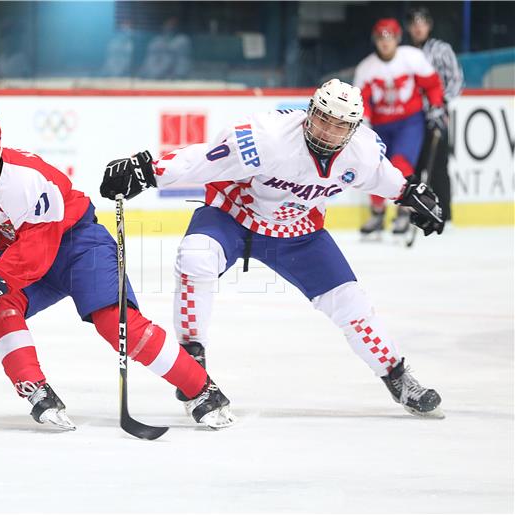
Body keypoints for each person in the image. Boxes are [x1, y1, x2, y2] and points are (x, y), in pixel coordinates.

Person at [100, 79, 445, 418]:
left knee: (351, 303)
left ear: (353, 129)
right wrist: (147, 171)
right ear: (309, 112)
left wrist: (411, 195)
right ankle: (193, 362)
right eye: (323, 119)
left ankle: (397, 377)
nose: (328, 131)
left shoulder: (364, 153)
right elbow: (203, 160)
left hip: (298, 232)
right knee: (195, 259)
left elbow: (384, 179)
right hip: (232, 216)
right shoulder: (267, 137)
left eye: (340, 126)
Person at [0, 106, 236, 431]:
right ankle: (36, 390)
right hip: (24, 252)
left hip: (78, 247)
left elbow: (37, 252)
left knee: (116, 324)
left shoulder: (27, 180)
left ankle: (202, 389)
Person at [353, 18, 445, 238]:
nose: (385, 43)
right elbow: (360, 100)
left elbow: (432, 84)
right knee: (374, 167)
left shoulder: (412, 58)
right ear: (375, 40)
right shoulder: (366, 68)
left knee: (401, 164)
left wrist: (436, 107)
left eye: (390, 38)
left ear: (397, 38)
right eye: (381, 38)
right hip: (380, 127)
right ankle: (377, 213)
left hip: (409, 123)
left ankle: (403, 212)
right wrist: (363, 120)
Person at [407, 6, 464, 225]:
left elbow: (456, 79)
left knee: (438, 166)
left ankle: (444, 215)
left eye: (422, 23)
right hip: (411, 119)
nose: (418, 27)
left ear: (429, 25)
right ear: (409, 28)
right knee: (414, 166)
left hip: (436, 116)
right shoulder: (406, 53)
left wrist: (442, 104)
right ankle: (419, 214)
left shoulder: (441, 49)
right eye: (414, 23)